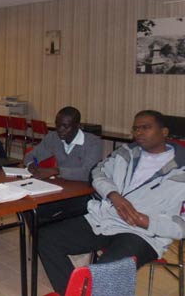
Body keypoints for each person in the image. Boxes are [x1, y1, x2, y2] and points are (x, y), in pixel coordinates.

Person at [38, 110, 185, 295]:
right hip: (105, 219)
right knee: (46, 238)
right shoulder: (125, 152)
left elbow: (181, 225)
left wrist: (146, 221)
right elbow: (98, 172)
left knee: (105, 271)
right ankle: (73, 292)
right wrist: (113, 195)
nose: (138, 132)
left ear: (164, 132)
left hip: (143, 234)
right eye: (135, 128)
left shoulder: (181, 169)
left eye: (145, 127)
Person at [24, 106, 103, 181]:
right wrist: (31, 164)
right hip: (61, 183)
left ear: (78, 126)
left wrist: (57, 171)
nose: (60, 130)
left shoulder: (93, 142)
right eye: (57, 125)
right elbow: (31, 155)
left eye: (65, 126)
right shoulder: (53, 137)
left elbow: (89, 172)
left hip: (83, 186)